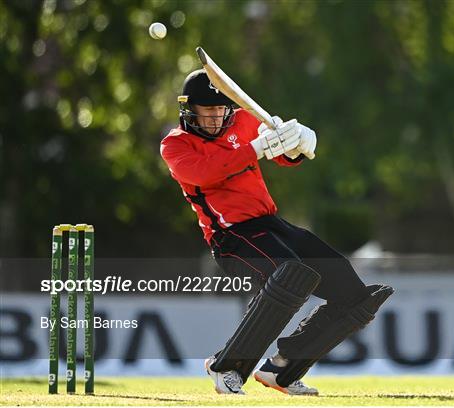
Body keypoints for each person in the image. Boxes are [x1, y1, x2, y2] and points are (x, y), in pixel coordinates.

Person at [160, 69, 393, 396]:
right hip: (232, 237)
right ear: (189, 110)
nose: (214, 116)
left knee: (355, 297)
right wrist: (255, 149)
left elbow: (282, 154)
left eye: (219, 109)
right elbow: (205, 173)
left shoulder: (243, 121)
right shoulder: (176, 144)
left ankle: (283, 368)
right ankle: (227, 365)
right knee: (291, 277)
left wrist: (296, 143)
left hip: (271, 224)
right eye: (206, 110)